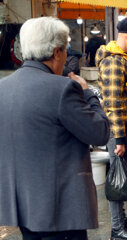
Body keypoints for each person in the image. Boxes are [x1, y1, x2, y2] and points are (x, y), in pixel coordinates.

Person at [0, 17, 110, 240]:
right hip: (59, 211)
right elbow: (100, 133)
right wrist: (88, 92)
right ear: (57, 52)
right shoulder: (63, 89)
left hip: (23, 206)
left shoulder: (4, 87)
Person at [95, 17, 127, 240]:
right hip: (120, 131)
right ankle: (117, 229)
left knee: (123, 177)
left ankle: (122, 220)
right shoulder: (114, 61)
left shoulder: (122, 58)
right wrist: (118, 139)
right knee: (117, 179)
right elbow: (112, 103)